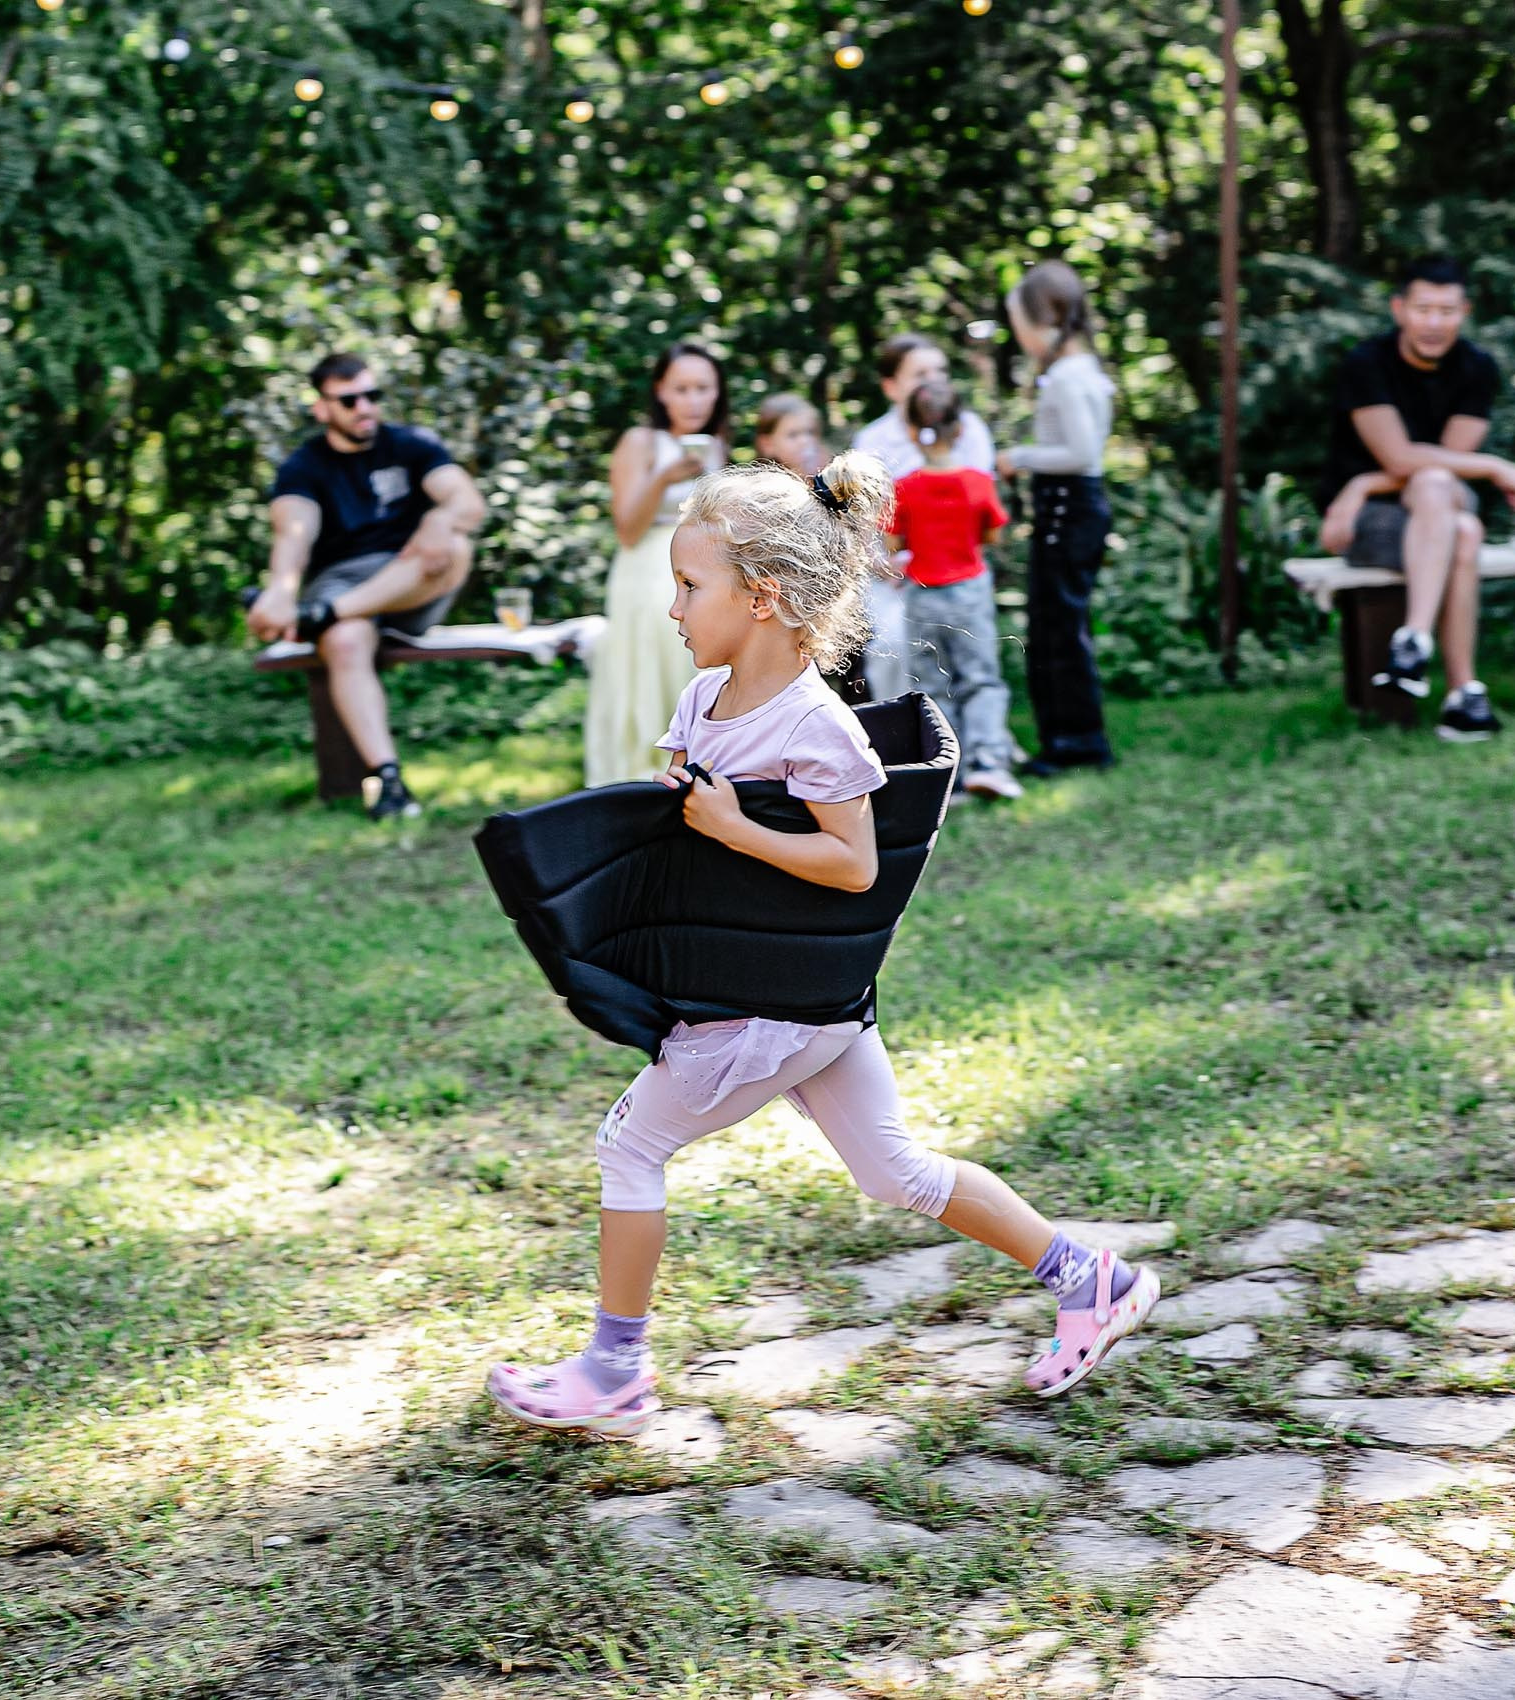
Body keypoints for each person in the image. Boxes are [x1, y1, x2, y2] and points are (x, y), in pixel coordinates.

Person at [482, 453, 1161, 1438]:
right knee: (898, 1171)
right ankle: (1089, 1277)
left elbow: (854, 865)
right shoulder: (701, 701)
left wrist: (734, 830)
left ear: (761, 598)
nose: (672, 606)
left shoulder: (818, 726)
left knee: (630, 1146)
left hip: (771, 1001)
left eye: (687, 585)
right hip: (811, 999)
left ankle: (616, 1370)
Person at [250, 353, 487, 820]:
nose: (364, 408)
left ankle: (322, 617)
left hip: (411, 581)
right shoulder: (303, 467)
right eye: (349, 400)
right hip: (340, 582)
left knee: (455, 546)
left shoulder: (412, 444)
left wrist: (442, 519)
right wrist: (280, 591)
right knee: (343, 639)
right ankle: (388, 779)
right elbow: (293, 536)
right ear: (322, 408)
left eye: (372, 396)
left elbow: (467, 501)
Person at [1317, 255, 1515, 742]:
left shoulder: (1477, 368)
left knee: (1437, 487)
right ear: (1399, 310)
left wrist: (1361, 483)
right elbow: (1400, 459)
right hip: (1372, 522)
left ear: (1464, 313)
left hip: (1423, 498)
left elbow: (1439, 465)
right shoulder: (1366, 364)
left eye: (1446, 311)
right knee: (1466, 531)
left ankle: (1412, 642)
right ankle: (1463, 692)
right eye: (1423, 309)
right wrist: (1498, 467)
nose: (1434, 323)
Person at [585, 342, 725, 787]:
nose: (694, 399)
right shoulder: (640, 442)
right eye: (682, 389)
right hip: (649, 559)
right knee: (660, 636)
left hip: (707, 558)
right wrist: (664, 476)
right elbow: (626, 528)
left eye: (703, 388)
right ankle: (646, 760)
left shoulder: (718, 444)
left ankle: (707, 757)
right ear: (662, 392)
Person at [1001, 261, 1118, 775]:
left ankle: (1076, 743)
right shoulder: (1083, 370)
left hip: (1068, 508)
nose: (1018, 338)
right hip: (1071, 509)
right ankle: (1071, 738)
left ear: (1044, 321)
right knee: (1057, 624)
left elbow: (1081, 451)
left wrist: (1019, 457)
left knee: (1058, 626)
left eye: (1019, 326)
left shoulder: (1068, 379)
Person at [888, 379, 1020, 799]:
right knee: (980, 678)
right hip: (969, 592)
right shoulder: (978, 482)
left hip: (922, 596)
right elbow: (995, 535)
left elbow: (893, 544)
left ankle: (948, 770)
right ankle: (988, 761)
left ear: (911, 431)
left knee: (931, 682)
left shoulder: (904, 488)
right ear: (960, 429)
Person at [852, 334, 996, 701]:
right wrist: (884, 567)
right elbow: (863, 525)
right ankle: (905, 733)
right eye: (920, 373)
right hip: (892, 579)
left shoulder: (970, 431)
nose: (933, 380)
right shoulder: (872, 441)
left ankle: (979, 732)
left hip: (957, 573)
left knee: (968, 639)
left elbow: (980, 522)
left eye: (940, 370)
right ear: (891, 387)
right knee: (894, 639)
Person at [749, 391, 824, 478]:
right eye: (793, 435)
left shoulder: (827, 475)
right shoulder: (760, 487)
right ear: (767, 444)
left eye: (810, 432)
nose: (805, 441)